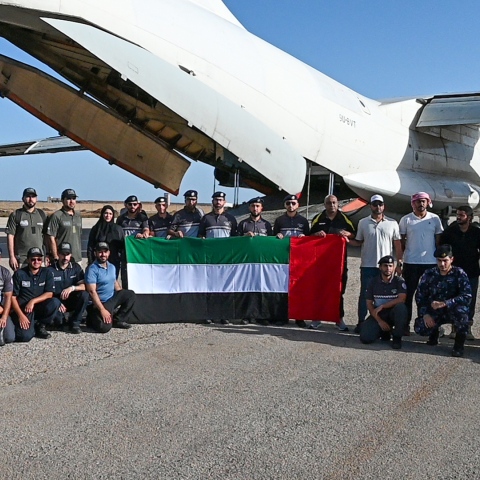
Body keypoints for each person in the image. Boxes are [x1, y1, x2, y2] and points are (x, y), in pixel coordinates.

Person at [350, 194, 402, 333]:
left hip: (386, 267)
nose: (378, 207)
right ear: (370, 206)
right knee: (365, 295)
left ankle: (387, 322)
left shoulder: (392, 223)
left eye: (380, 204)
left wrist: (399, 263)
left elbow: (397, 244)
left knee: (388, 295)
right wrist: (344, 239)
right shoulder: (363, 222)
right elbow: (358, 241)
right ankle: (361, 321)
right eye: (375, 204)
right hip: (368, 265)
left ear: (384, 206)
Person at [414, 245, 472, 357]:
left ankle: (458, 346)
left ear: (451, 259)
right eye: (439, 261)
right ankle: (434, 333)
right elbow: (420, 296)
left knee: (463, 317)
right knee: (420, 327)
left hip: (453, 310)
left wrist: (446, 303)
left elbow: (467, 296)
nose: (442, 264)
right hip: (435, 311)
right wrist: (425, 314)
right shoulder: (429, 274)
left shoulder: (459, 273)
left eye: (445, 261)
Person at [399, 192, 443, 334]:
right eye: (418, 201)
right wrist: (400, 259)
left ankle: (427, 325)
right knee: (408, 295)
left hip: (429, 263)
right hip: (411, 262)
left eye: (424, 201)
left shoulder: (435, 219)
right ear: (413, 203)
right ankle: (405, 325)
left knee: (428, 296)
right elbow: (402, 241)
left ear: (428, 202)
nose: (421, 204)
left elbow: (438, 241)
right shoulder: (406, 220)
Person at [310, 194, 355, 331]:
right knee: (319, 290)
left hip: (339, 263)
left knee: (338, 291)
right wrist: (316, 235)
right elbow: (308, 236)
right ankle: (317, 318)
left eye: (334, 202)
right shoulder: (318, 218)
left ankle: (338, 318)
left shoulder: (344, 219)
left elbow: (354, 234)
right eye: (329, 203)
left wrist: (347, 234)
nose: (332, 205)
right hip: (320, 263)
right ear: (325, 204)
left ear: (338, 204)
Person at [440, 206, 480, 340]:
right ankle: (455, 328)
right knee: (453, 299)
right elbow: (443, 249)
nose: (458, 217)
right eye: (457, 215)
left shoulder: (476, 232)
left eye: (461, 215)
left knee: (470, 300)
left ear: (469, 218)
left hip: (472, 272)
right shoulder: (450, 231)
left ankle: (467, 328)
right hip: (454, 273)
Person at [198, 192, 237, 325]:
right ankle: (208, 314)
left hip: (225, 259)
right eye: (216, 200)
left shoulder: (231, 219)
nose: (218, 202)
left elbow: (235, 239)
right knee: (209, 286)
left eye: (220, 200)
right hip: (210, 259)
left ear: (224, 202)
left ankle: (224, 315)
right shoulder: (205, 218)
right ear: (212, 201)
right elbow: (200, 236)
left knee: (225, 287)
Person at [273, 194, 310, 327]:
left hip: (299, 260)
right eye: (288, 203)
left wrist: (304, 237)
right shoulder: (279, 220)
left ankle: (299, 317)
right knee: (282, 288)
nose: (291, 205)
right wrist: (277, 236)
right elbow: (273, 240)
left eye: (293, 203)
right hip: (284, 259)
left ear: (298, 205)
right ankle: (282, 316)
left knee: (298, 288)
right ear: (285, 205)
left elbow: (309, 240)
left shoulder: (304, 221)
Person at [10, 247, 61, 342]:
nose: (36, 261)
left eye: (39, 259)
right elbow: (12, 297)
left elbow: (49, 293)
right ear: (28, 260)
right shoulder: (19, 274)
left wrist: (33, 301)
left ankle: (40, 325)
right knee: (24, 337)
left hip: (38, 306)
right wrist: (21, 315)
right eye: (33, 259)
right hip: (24, 309)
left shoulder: (47, 272)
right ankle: (30, 327)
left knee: (55, 302)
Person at [85, 242, 136, 333]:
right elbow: (92, 292)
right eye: (100, 252)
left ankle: (118, 320)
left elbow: (114, 282)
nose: (103, 254)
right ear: (95, 253)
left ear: (109, 253)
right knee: (104, 328)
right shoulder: (92, 269)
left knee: (130, 294)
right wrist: (102, 310)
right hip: (98, 303)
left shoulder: (112, 267)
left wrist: (122, 296)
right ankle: (92, 318)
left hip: (111, 300)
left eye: (105, 252)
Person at [237, 197, 273, 325]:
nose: (255, 208)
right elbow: (235, 243)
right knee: (247, 289)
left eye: (258, 206)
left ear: (261, 208)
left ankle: (261, 316)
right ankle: (246, 315)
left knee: (262, 289)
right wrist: (244, 237)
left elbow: (271, 244)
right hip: (247, 263)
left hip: (262, 263)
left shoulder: (267, 225)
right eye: (253, 206)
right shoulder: (243, 224)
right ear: (249, 208)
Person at [359, 255, 408, 349]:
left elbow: (402, 299)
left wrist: (383, 306)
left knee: (401, 308)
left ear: (394, 267)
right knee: (365, 338)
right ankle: (384, 331)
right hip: (379, 313)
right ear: (380, 267)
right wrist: (379, 321)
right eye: (385, 266)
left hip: (393, 313)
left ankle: (397, 338)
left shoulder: (399, 281)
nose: (388, 268)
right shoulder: (373, 282)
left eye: (390, 266)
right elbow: (369, 304)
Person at [48, 242, 89, 334]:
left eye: (67, 254)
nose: (65, 257)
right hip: (57, 302)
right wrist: (57, 303)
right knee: (59, 324)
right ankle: (64, 318)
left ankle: (75, 323)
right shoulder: (50, 270)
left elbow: (84, 286)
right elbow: (45, 291)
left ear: (71, 255)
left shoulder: (76, 268)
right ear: (58, 254)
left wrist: (72, 288)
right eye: (63, 254)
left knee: (84, 295)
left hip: (71, 300)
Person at [6, 187, 46, 270]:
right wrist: (12, 257)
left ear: (36, 199)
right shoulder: (16, 215)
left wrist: (48, 255)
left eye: (33, 197)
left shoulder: (42, 214)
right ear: (23, 198)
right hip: (21, 259)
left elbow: (47, 236)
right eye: (28, 196)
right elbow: (10, 236)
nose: (31, 199)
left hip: (39, 259)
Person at [116, 195, 149, 287]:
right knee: (125, 276)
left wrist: (144, 234)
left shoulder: (142, 218)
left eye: (135, 204)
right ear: (126, 205)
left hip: (138, 252)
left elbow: (146, 229)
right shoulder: (120, 219)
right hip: (124, 252)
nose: (133, 206)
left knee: (138, 274)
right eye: (130, 204)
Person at [46, 188, 83, 265]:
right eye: (69, 198)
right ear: (63, 200)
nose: (72, 201)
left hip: (77, 258)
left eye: (74, 198)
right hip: (62, 258)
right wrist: (55, 256)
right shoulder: (57, 216)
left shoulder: (78, 216)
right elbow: (51, 238)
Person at [87, 205, 124, 276]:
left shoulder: (117, 229)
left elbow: (122, 246)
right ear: (102, 214)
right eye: (106, 213)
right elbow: (90, 246)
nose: (108, 215)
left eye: (110, 214)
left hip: (113, 262)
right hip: (98, 261)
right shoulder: (96, 229)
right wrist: (90, 261)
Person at [0, 247, 14, 346]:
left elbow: (8, 296)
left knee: (9, 337)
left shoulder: (5, 273)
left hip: (1, 308)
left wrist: (4, 316)